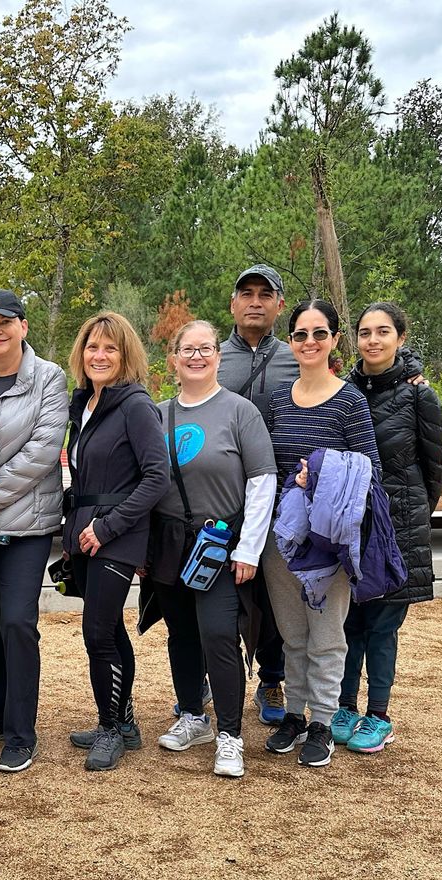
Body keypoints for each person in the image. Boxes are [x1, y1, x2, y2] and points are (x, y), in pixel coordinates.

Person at [148, 321, 277, 779]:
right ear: (174, 358)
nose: (197, 356)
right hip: (169, 542)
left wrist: (249, 549)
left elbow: (263, 481)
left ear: (219, 357)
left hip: (221, 543)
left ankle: (230, 735)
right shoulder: (157, 414)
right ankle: (192, 715)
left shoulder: (241, 412)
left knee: (219, 634)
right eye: (188, 349)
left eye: (206, 348)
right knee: (181, 632)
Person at [261, 299, 381, 768]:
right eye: (300, 334)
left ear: (334, 340)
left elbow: (369, 467)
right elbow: (266, 468)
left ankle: (323, 722)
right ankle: (294, 713)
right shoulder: (276, 403)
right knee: (292, 634)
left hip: (329, 540)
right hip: (282, 537)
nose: (309, 342)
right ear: (290, 341)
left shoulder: (350, 400)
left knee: (327, 634)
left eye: (318, 333)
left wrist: (322, 474)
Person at [0, 290, 68, 772]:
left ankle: (22, 733)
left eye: (5, 322)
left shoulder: (49, 379)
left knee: (17, 622)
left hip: (25, 526)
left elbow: (44, 450)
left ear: (24, 326)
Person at [331, 302, 442, 753]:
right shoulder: (343, 392)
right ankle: (344, 706)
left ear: (400, 337)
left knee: (382, 627)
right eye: (365, 332)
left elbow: (434, 469)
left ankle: (378, 713)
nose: (373, 340)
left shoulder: (421, 395)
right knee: (348, 623)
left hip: (397, 528)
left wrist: (409, 514)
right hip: (351, 527)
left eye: (383, 332)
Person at [62, 312, 170, 772]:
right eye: (92, 347)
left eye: (110, 348)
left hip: (118, 534)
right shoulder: (84, 404)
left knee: (96, 631)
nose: (99, 355)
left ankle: (110, 728)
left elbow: (156, 476)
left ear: (126, 355)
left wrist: (108, 527)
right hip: (85, 533)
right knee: (109, 629)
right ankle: (124, 720)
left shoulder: (135, 405)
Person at [219, 264, 298, 727]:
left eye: (264, 294)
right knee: (217, 588)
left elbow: (341, 393)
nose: (254, 301)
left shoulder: (297, 357)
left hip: (283, 497)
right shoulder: (212, 357)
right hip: (222, 499)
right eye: (245, 293)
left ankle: (271, 676)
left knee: (272, 596)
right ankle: (216, 673)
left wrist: (410, 375)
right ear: (233, 303)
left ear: (278, 305)